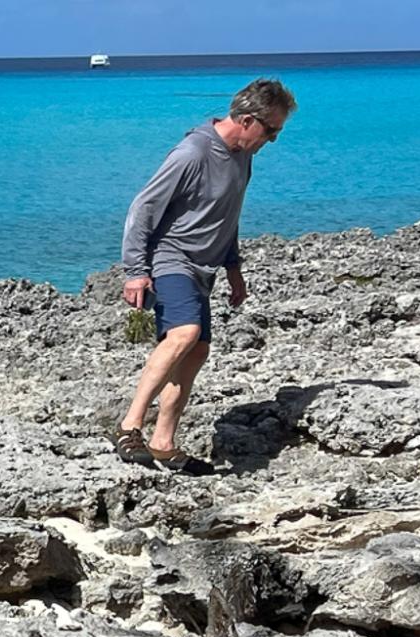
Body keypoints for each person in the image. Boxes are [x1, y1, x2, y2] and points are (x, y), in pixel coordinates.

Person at [114, 77, 296, 475]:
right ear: (247, 121)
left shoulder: (243, 156)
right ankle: (129, 426)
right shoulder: (193, 152)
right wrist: (135, 272)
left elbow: (227, 215)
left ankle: (163, 442)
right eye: (272, 131)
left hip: (206, 267)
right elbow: (142, 208)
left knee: (196, 351)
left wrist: (234, 270)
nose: (273, 140)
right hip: (170, 257)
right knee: (183, 334)